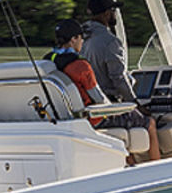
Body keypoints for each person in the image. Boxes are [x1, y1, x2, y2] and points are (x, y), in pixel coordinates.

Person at [49, 16, 161, 162]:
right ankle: (157, 168)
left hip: (68, 119)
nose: (82, 42)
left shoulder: (49, 61)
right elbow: (100, 99)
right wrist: (124, 106)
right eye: (81, 38)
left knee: (127, 119)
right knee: (149, 122)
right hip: (94, 119)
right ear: (73, 39)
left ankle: (130, 166)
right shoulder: (81, 66)